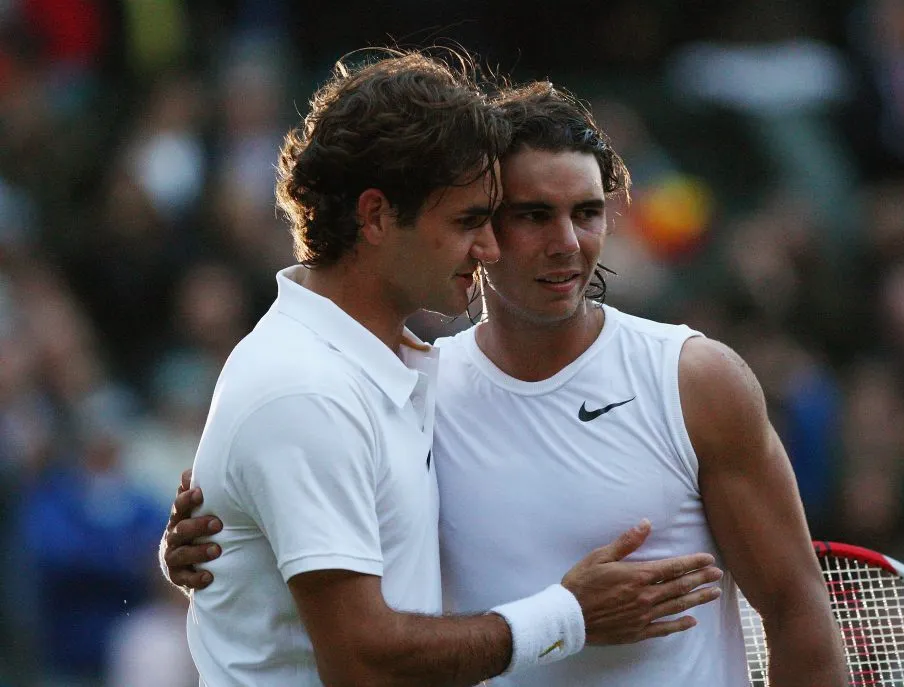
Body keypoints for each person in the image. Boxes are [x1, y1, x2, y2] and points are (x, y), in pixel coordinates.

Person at [164, 76, 847, 685]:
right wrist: (225, 548)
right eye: (527, 216)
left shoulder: (694, 379)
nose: (567, 242)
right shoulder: (398, 385)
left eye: (587, 211)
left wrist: (220, 549)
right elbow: (355, 645)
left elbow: (796, 608)